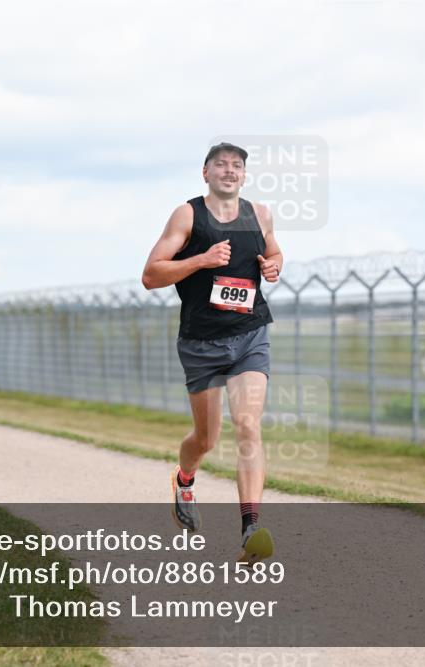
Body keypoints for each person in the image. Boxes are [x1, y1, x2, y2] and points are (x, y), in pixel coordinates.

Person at [141, 142, 284, 562]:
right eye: (220, 164)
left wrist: (275, 265)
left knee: (248, 424)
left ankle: (250, 528)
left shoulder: (259, 214)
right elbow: (151, 275)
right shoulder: (188, 215)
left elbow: (273, 250)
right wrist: (201, 260)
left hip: (249, 333)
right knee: (206, 437)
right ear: (205, 173)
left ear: (244, 175)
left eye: (237, 165)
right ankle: (185, 479)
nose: (229, 170)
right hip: (201, 341)